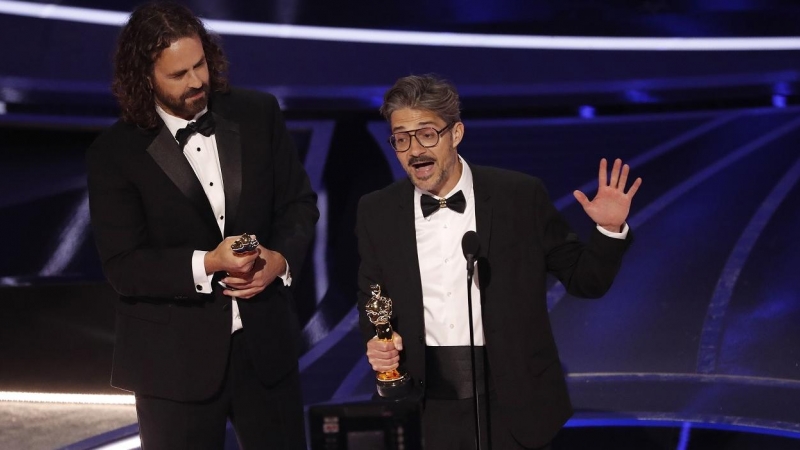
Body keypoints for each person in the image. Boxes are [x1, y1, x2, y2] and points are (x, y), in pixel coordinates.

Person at [356, 74, 642, 450]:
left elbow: (585, 280)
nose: (414, 151)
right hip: (423, 409)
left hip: (513, 405)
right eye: (401, 139)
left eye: (427, 134)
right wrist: (378, 341)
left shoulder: (519, 197)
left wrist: (609, 229)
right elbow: (372, 297)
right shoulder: (376, 210)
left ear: (456, 133)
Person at [85, 2, 318, 449]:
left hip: (265, 353)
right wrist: (207, 263)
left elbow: (298, 205)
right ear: (144, 77)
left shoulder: (258, 114)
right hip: (171, 365)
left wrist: (279, 260)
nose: (196, 81)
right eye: (178, 74)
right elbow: (124, 266)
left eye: (200, 65)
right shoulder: (114, 154)